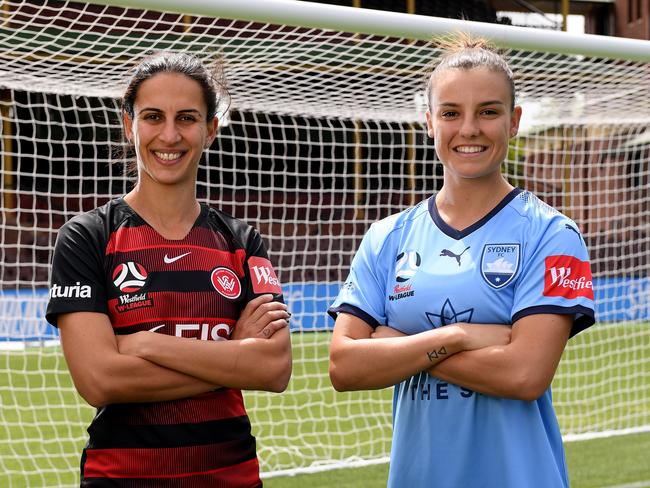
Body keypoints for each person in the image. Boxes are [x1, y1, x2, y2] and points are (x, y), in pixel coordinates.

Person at [328, 35, 595, 488]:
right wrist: (458, 335)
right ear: (429, 122)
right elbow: (344, 367)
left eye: (488, 112)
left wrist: (400, 344)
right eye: (451, 113)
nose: (469, 128)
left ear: (514, 122)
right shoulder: (387, 238)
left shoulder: (550, 234)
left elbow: (526, 374)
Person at [46, 52, 292, 487]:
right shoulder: (87, 236)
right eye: (153, 117)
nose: (170, 135)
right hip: (121, 479)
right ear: (130, 125)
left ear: (211, 129)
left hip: (231, 476)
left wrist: (143, 344)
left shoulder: (241, 241)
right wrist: (232, 354)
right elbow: (100, 379)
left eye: (187, 118)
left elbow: (273, 370)